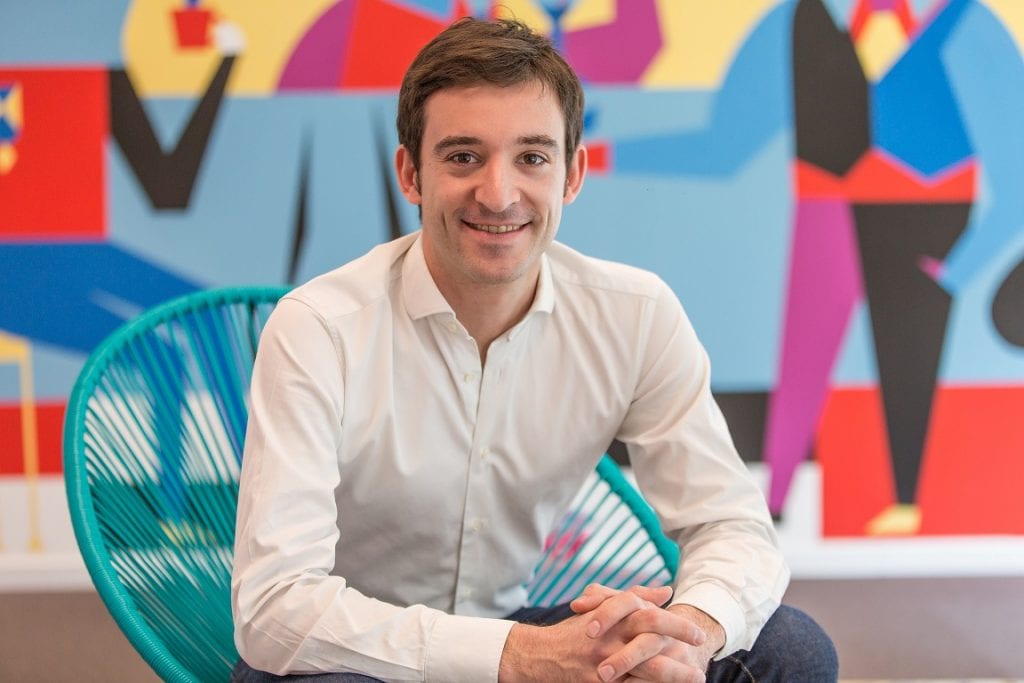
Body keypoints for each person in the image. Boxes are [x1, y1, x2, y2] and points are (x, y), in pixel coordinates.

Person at [231, 17, 837, 682]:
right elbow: (275, 608)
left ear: (572, 174)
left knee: (791, 647)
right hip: (351, 653)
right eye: (463, 157)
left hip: (512, 627)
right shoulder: (319, 327)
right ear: (411, 174)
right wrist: (518, 657)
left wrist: (688, 633)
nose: (498, 194)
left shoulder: (636, 316)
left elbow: (731, 525)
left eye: (532, 158)